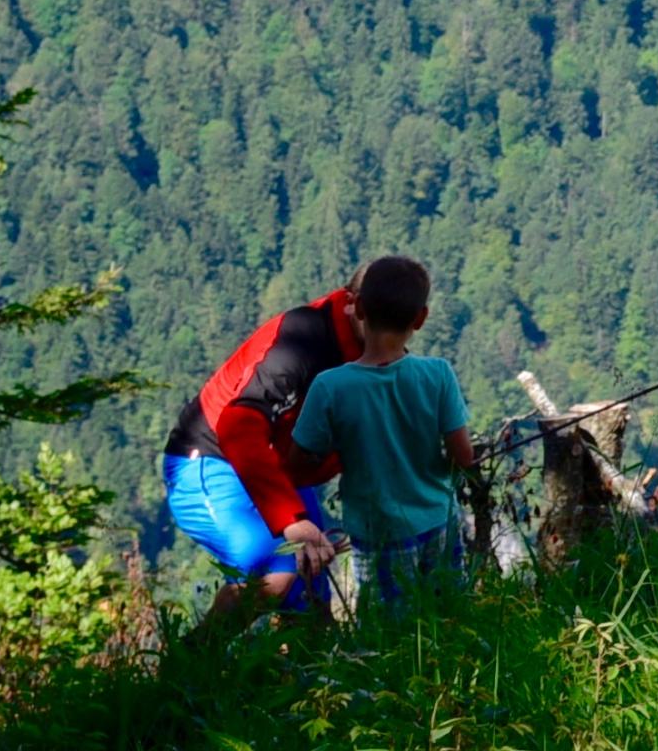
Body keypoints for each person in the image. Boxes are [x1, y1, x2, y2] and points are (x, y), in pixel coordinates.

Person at [163, 270, 379, 624]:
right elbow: (237, 427)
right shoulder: (301, 341)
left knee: (310, 600)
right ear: (351, 305)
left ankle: (305, 660)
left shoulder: (374, 350)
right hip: (208, 457)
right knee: (276, 571)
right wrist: (291, 521)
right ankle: (192, 657)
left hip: (274, 463)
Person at [287, 255, 479, 605]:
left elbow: (298, 463)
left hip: (378, 532)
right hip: (440, 520)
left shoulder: (331, 387)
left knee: (389, 625)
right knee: (450, 612)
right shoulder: (438, 374)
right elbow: (463, 457)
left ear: (359, 308)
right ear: (421, 318)